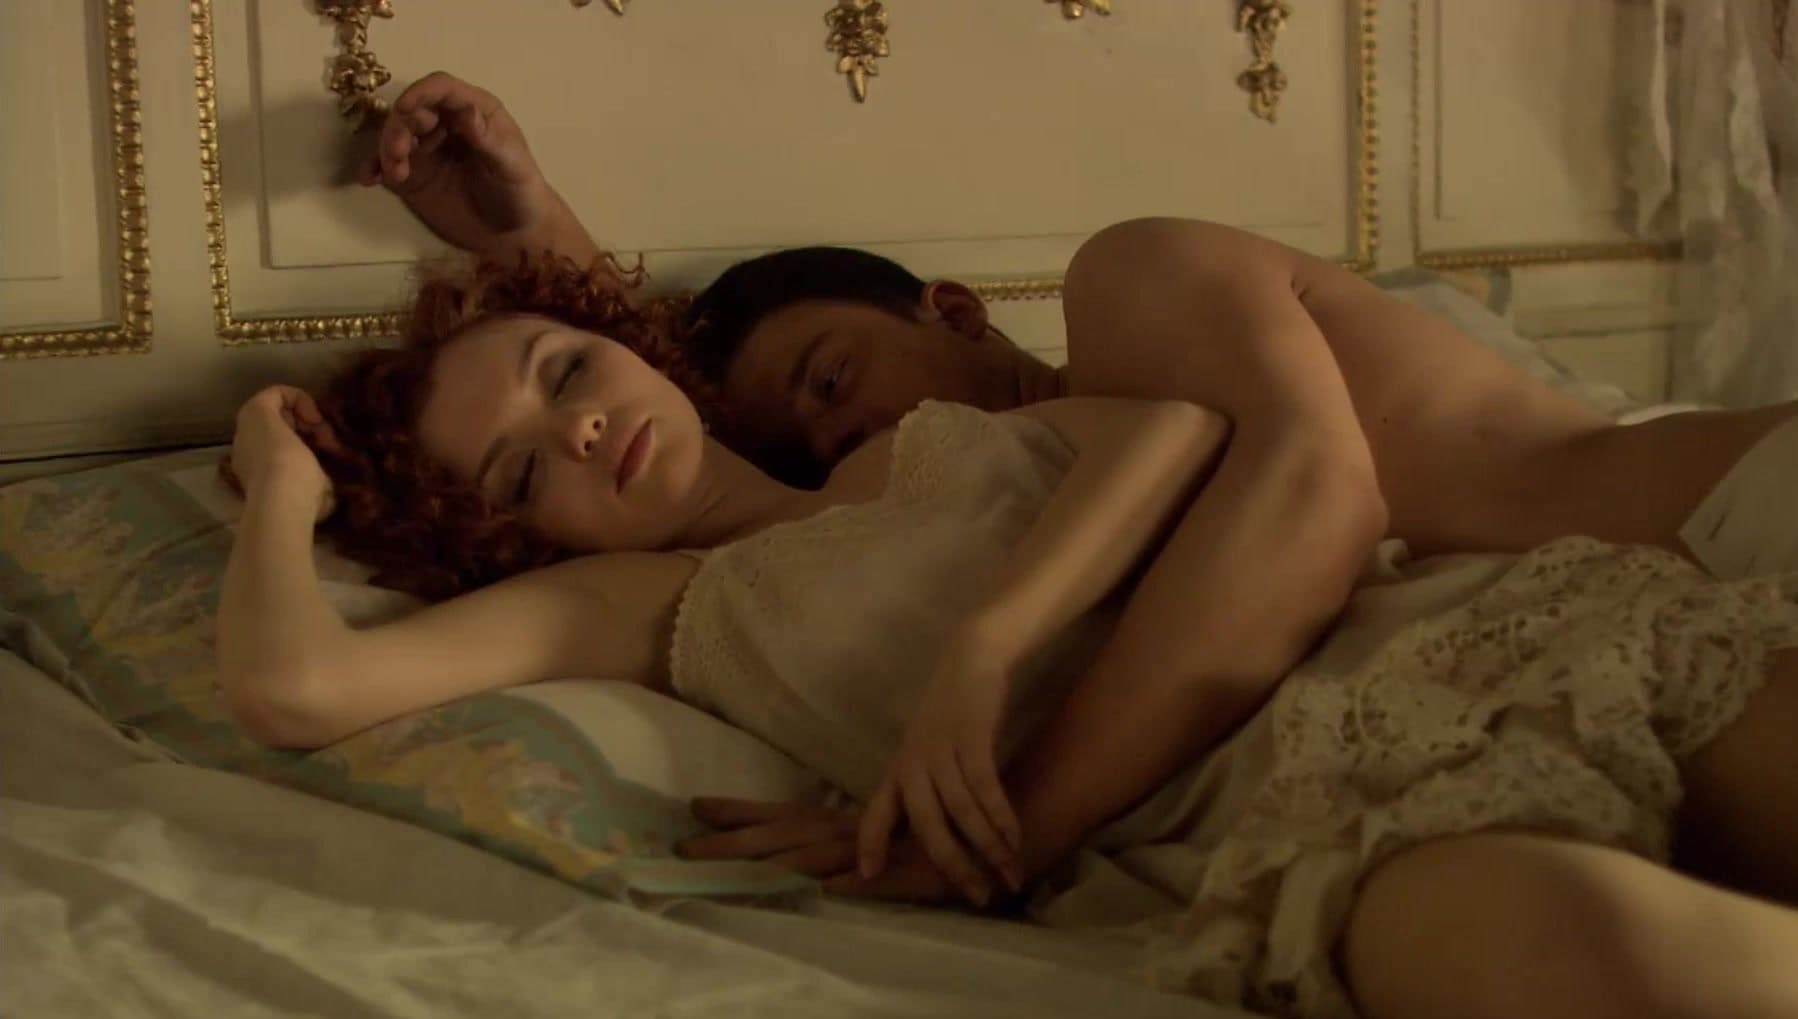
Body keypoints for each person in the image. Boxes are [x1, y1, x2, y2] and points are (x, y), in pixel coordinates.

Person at [219, 248, 1798, 1019]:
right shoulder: (640, 606)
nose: (576, 432)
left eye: (569, 372)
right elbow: (296, 687)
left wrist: (987, 648)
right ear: (513, 539)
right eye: (520, 474)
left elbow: (1177, 432)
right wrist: (280, 491)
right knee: (1600, 958)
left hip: (1494, 639)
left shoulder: (920, 443)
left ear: (628, 349)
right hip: (1302, 818)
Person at [355, 73, 1798, 912]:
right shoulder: (1027, 506)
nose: (856, 431)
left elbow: (1316, 496)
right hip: (1621, 638)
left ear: (953, 308)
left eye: (836, 374)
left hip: (1736, 522)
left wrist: (1011, 821)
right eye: (818, 438)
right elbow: (658, 452)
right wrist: (526, 233)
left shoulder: (1130, 284)